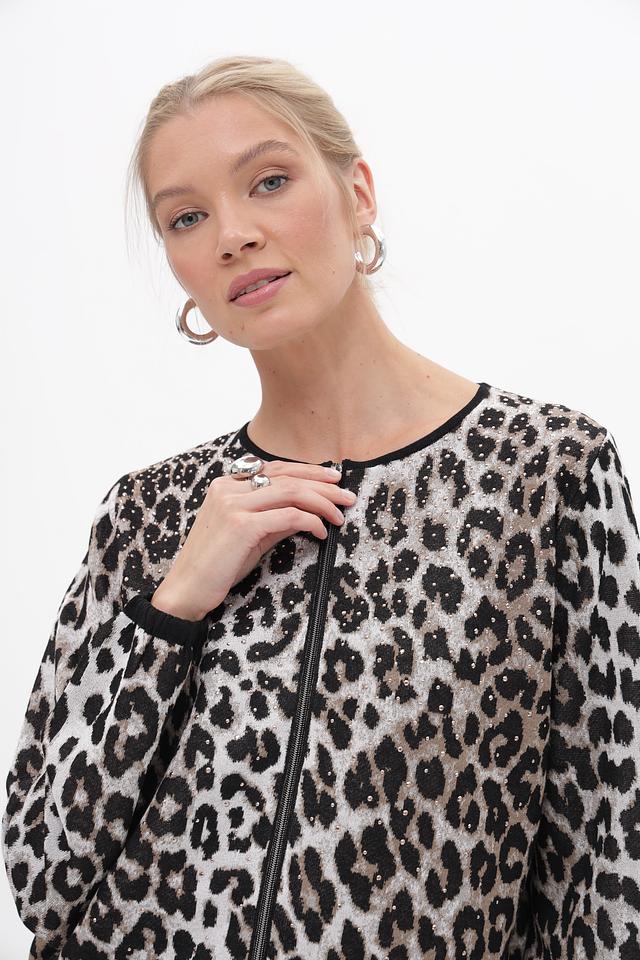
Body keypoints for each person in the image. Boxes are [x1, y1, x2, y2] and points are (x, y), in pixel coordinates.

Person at [3, 54, 639, 960]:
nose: (232, 235)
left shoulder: (547, 473)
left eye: (269, 181)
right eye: (186, 217)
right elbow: (42, 873)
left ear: (358, 193)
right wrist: (175, 604)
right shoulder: (150, 514)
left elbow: (608, 865)